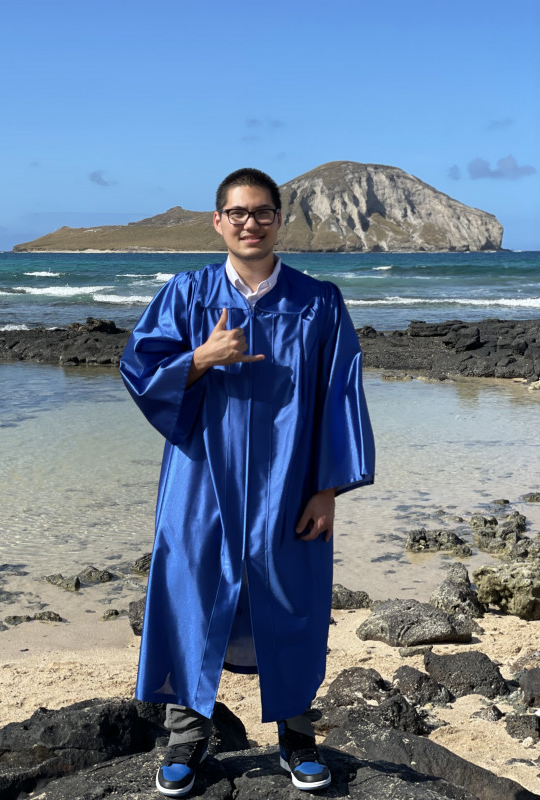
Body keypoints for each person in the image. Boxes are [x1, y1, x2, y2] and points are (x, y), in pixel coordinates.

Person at [120, 167, 375, 796]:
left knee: (292, 596)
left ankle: (296, 736)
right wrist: (201, 359)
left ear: (278, 219)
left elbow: (341, 397)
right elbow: (137, 367)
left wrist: (328, 489)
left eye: (262, 212)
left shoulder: (318, 302)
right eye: (237, 213)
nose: (249, 223)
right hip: (201, 476)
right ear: (218, 221)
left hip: (289, 483)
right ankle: (186, 737)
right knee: (190, 589)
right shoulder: (187, 293)